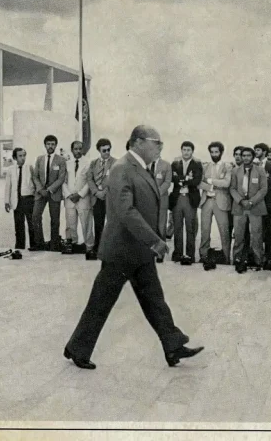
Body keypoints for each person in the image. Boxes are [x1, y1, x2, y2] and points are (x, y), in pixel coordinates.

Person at [64, 125, 204, 369]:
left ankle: (173, 346)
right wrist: (155, 241)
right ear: (139, 142)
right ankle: (78, 349)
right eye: (156, 142)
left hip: (139, 251)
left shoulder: (142, 167)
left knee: (155, 300)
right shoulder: (122, 169)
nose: (160, 147)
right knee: (101, 302)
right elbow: (126, 211)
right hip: (121, 251)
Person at [230, 147, 269, 273]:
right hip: (239, 206)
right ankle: (237, 258)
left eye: (248, 155)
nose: (246, 157)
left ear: (253, 157)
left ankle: (258, 260)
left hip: (255, 206)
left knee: (256, 235)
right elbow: (232, 188)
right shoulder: (235, 171)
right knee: (239, 235)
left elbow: (263, 189)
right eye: (244, 155)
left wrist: (252, 201)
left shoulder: (260, 170)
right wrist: (241, 201)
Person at [198, 141, 232, 266]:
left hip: (221, 202)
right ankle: (203, 255)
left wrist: (210, 180)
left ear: (221, 152)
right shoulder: (205, 166)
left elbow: (226, 183)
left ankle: (227, 258)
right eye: (212, 152)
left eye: (216, 152)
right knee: (205, 230)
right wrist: (212, 187)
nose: (214, 154)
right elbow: (199, 183)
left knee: (224, 231)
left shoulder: (227, 167)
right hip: (206, 200)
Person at [31, 135, 67, 252]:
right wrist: (40, 189)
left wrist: (50, 189)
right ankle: (39, 243)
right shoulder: (39, 159)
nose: (50, 146)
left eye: (53, 144)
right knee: (35, 216)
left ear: (55, 146)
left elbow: (61, 178)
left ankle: (54, 244)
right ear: (45, 145)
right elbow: (35, 176)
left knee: (55, 219)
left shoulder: (61, 160)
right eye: (48, 144)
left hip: (54, 193)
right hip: (40, 193)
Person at [169, 141, 203, 265]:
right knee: (177, 227)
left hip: (190, 198)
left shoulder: (197, 164)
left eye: (189, 150)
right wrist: (186, 178)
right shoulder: (175, 163)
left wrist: (182, 180)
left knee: (190, 228)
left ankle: (190, 255)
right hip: (177, 198)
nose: (186, 152)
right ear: (181, 150)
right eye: (184, 150)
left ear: (192, 151)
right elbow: (172, 178)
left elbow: (197, 180)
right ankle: (177, 253)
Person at [62, 140, 94, 257]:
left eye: (80, 148)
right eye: (76, 149)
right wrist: (69, 194)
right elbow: (63, 181)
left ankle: (89, 246)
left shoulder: (88, 163)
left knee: (87, 223)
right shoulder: (67, 164)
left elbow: (89, 181)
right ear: (72, 150)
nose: (78, 151)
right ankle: (72, 244)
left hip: (83, 198)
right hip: (69, 199)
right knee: (71, 224)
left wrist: (80, 194)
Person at [87, 138, 116, 257]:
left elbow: (116, 180)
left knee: (111, 224)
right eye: (104, 150)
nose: (107, 153)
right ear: (99, 150)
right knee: (98, 223)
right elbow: (89, 179)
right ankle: (98, 247)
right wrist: (96, 192)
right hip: (96, 198)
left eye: (108, 150)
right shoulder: (93, 163)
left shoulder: (115, 162)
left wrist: (104, 192)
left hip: (109, 198)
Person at [4, 147, 36, 250]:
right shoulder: (10, 170)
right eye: (20, 156)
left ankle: (34, 246)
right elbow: (8, 186)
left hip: (29, 199)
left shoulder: (30, 167)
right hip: (16, 201)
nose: (22, 158)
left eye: (24, 155)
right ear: (14, 157)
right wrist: (7, 201)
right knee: (18, 225)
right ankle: (19, 246)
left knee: (32, 224)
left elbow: (35, 183)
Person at [151, 153, 172, 263]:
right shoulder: (145, 163)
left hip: (161, 199)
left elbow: (167, 182)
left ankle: (160, 253)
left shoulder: (166, 165)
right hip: (147, 199)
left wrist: (157, 192)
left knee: (161, 225)